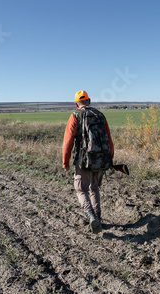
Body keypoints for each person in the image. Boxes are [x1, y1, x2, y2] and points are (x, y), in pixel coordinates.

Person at [62, 90, 114, 234]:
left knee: (80, 189)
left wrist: (65, 162)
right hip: (101, 160)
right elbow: (109, 139)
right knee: (94, 188)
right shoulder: (100, 115)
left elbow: (68, 142)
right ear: (89, 101)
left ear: (76, 104)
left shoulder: (75, 116)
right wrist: (109, 159)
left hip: (83, 161)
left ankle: (90, 215)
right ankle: (98, 218)